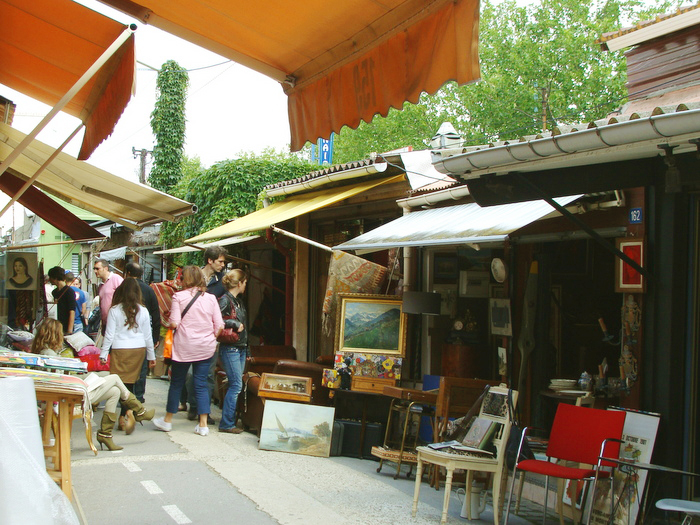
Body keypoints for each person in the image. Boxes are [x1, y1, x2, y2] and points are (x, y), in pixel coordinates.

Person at [153, 265, 223, 437]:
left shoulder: (179, 296)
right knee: (201, 383)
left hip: (184, 346)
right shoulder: (211, 298)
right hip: (206, 347)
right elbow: (220, 325)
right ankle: (203, 425)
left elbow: (175, 322)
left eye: (182, 277)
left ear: (186, 279)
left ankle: (168, 420)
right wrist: (211, 337)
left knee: (177, 382)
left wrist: (169, 322)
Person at [100, 278, 155, 435]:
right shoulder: (143, 310)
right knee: (131, 383)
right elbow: (148, 335)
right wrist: (151, 356)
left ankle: (126, 414)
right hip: (138, 350)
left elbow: (109, 335)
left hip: (120, 349)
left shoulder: (114, 310)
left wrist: (104, 353)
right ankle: (127, 414)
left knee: (120, 384)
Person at [186, 246, 228, 422]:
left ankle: (205, 411)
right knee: (189, 374)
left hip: (210, 334)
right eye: (220, 261)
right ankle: (193, 406)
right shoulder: (194, 277)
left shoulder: (222, 281)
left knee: (209, 374)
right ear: (210, 261)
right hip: (190, 333)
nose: (223, 265)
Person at [124, 261, 161, 404]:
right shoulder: (149, 290)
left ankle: (126, 396)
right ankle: (138, 397)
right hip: (143, 337)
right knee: (141, 368)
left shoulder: (122, 289)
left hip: (124, 338)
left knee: (126, 369)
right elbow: (156, 315)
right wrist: (155, 337)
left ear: (127, 273)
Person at [217, 269, 249, 434]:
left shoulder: (238, 301)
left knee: (234, 383)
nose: (246, 285)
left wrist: (247, 349)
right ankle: (227, 423)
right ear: (239, 283)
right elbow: (216, 319)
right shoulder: (225, 300)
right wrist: (234, 324)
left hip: (240, 347)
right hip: (230, 348)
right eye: (245, 282)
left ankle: (229, 420)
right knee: (236, 384)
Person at [94, 259, 123, 334]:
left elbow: (125, 297)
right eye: (94, 269)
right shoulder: (101, 285)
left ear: (106, 268)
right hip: (106, 323)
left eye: (97, 269)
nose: (95, 271)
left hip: (117, 323)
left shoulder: (116, 279)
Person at [47, 266, 76, 335]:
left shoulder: (69, 291)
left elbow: (72, 311)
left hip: (66, 326)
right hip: (57, 326)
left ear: (55, 278)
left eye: (50, 277)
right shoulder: (54, 292)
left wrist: (69, 330)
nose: (49, 280)